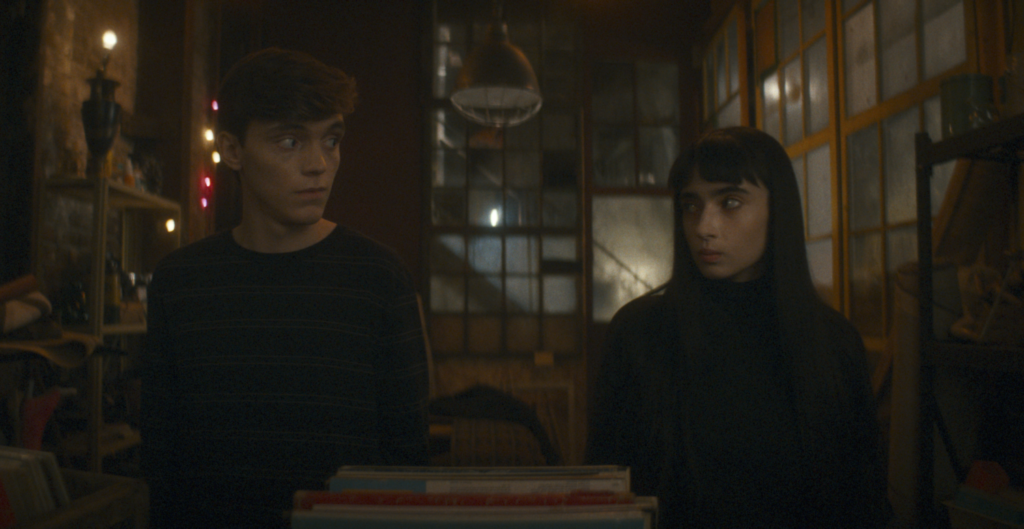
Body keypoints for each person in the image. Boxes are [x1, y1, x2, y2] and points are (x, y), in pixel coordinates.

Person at [140, 48, 429, 529]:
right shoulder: (180, 283)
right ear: (233, 150)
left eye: (331, 140)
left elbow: (407, 461)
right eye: (291, 141)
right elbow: (162, 465)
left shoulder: (379, 279)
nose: (319, 164)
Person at [585, 127, 891, 528]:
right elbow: (603, 490)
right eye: (691, 205)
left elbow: (862, 500)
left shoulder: (833, 341)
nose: (703, 226)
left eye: (730, 202)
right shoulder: (640, 332)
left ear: (777, 210)